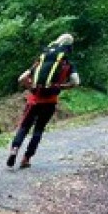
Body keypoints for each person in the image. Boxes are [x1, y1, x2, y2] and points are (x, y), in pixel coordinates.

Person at [7, 33, 81, 168]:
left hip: (34, 100)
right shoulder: (67, 63)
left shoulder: (41, 59)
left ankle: (14, 150)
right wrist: (61, 86)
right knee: (38, 129)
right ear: (69, 47)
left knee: (24, 127)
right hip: (50, 101)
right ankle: (26, 159)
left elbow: (21, 78)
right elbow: (76, 82)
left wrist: (32, 87)